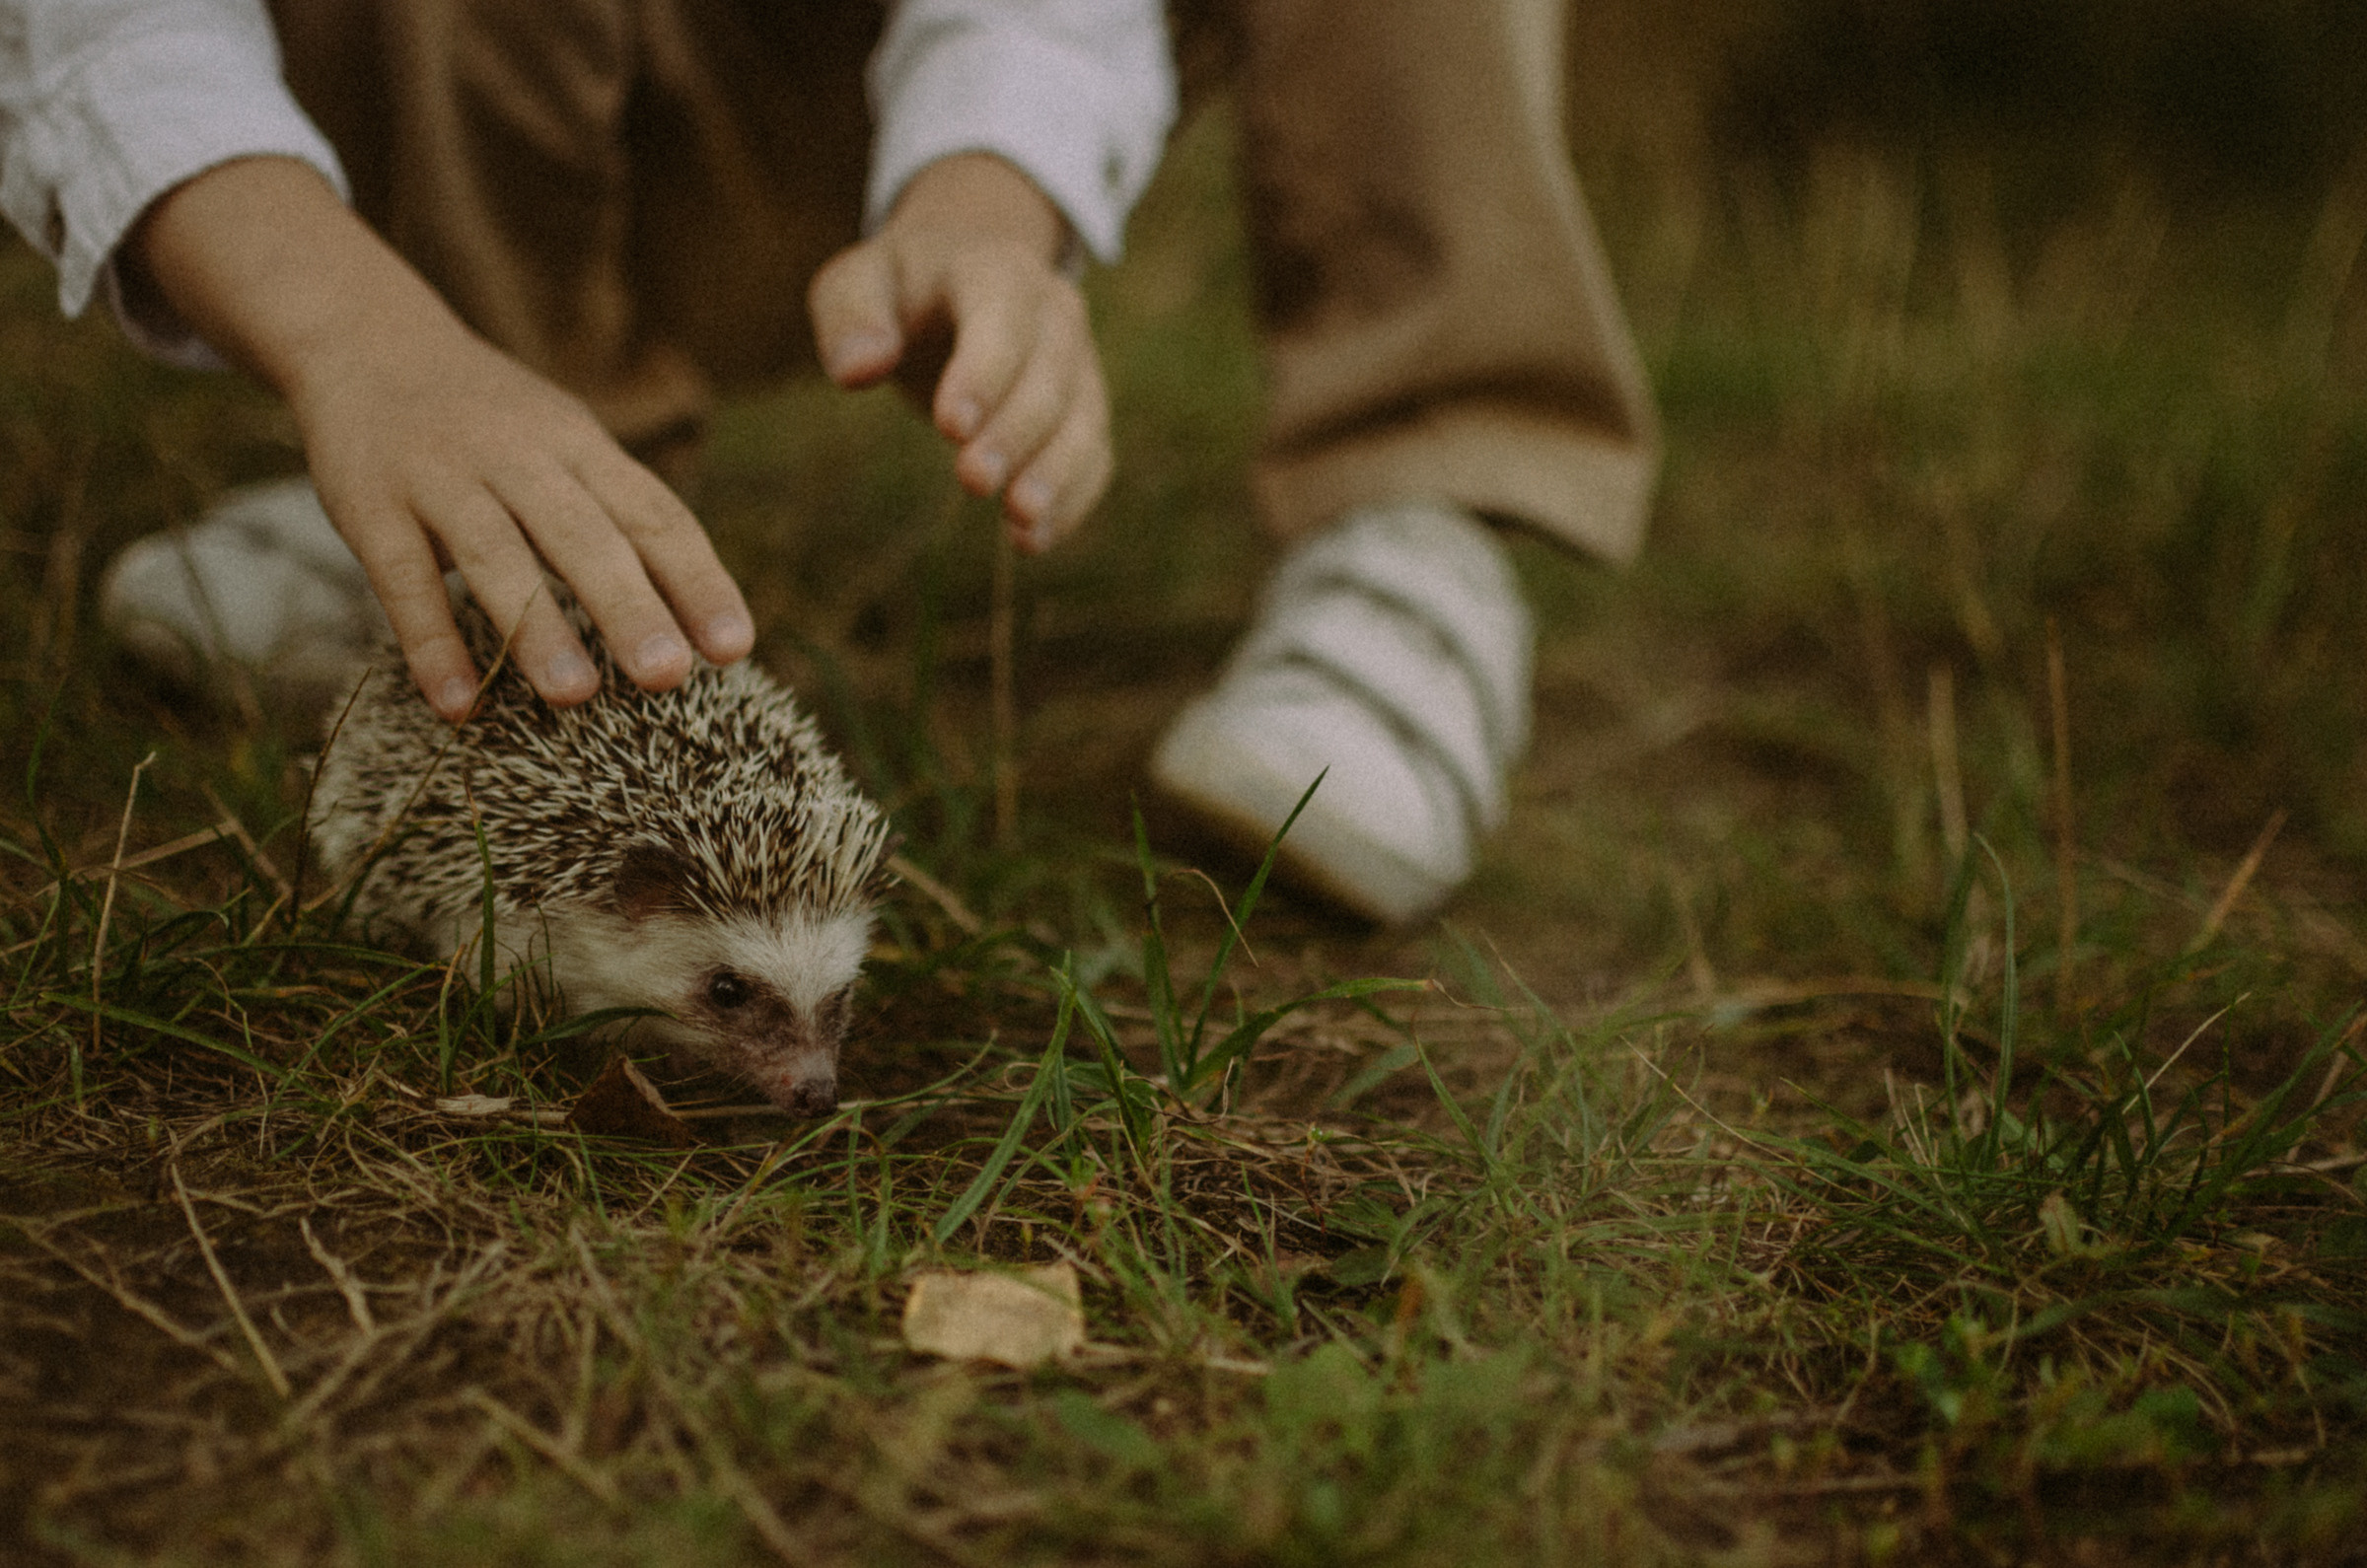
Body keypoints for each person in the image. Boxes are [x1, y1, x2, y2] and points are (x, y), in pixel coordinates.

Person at [1, 0, 1658, 926]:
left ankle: (1419, 497)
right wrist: (363, 346)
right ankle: (500, 511)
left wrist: (984, 199)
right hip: (400, 138)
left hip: (840, 85)